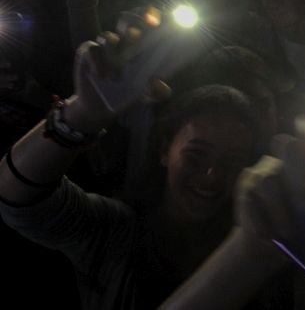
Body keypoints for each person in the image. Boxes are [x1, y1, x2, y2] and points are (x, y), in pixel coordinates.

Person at [0, 30, 261, 309]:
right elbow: (21, 202)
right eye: (196, 154)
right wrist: (82, 113)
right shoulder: (115, 232)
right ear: (165, 151)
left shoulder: (258, 240)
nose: (213, 174)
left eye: (233, 160)